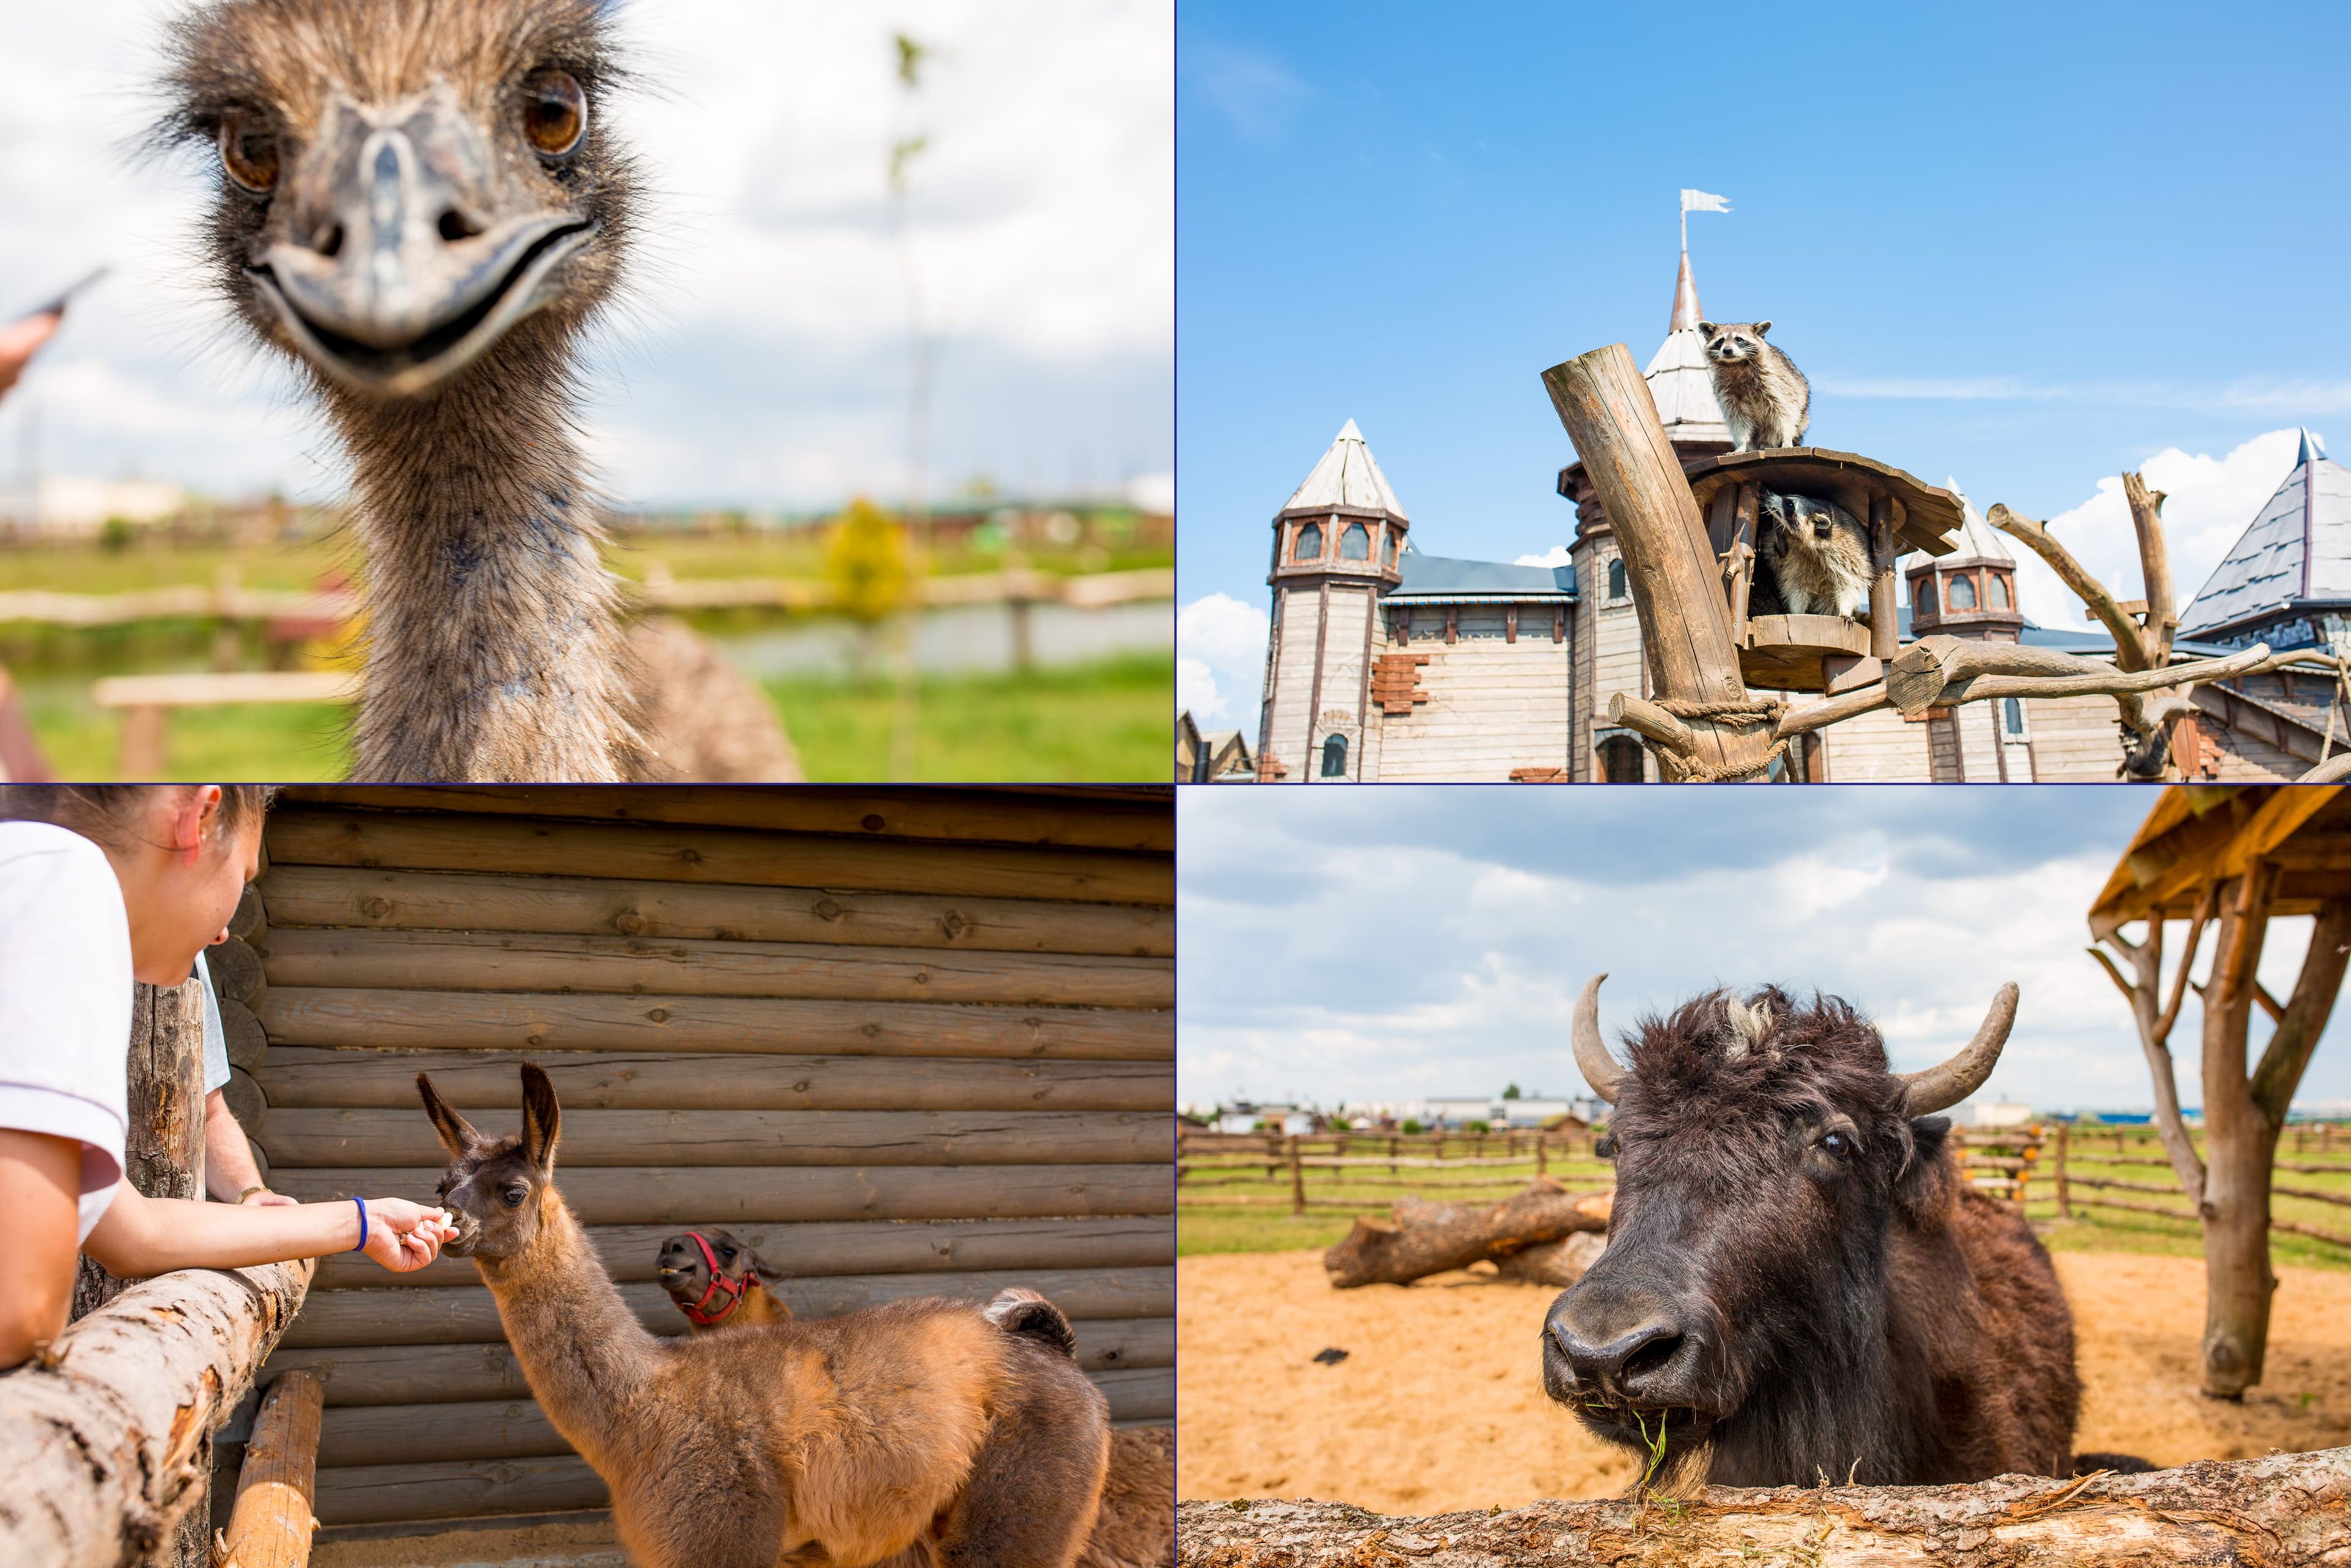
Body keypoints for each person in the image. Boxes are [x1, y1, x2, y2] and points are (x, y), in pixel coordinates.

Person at [0, 785, 454, 1370]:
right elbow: (21, 1306)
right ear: (200, 814)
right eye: (243, 874)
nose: (222, 934)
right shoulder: (59, 873)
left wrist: (364, 1221)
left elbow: (136, 1233)